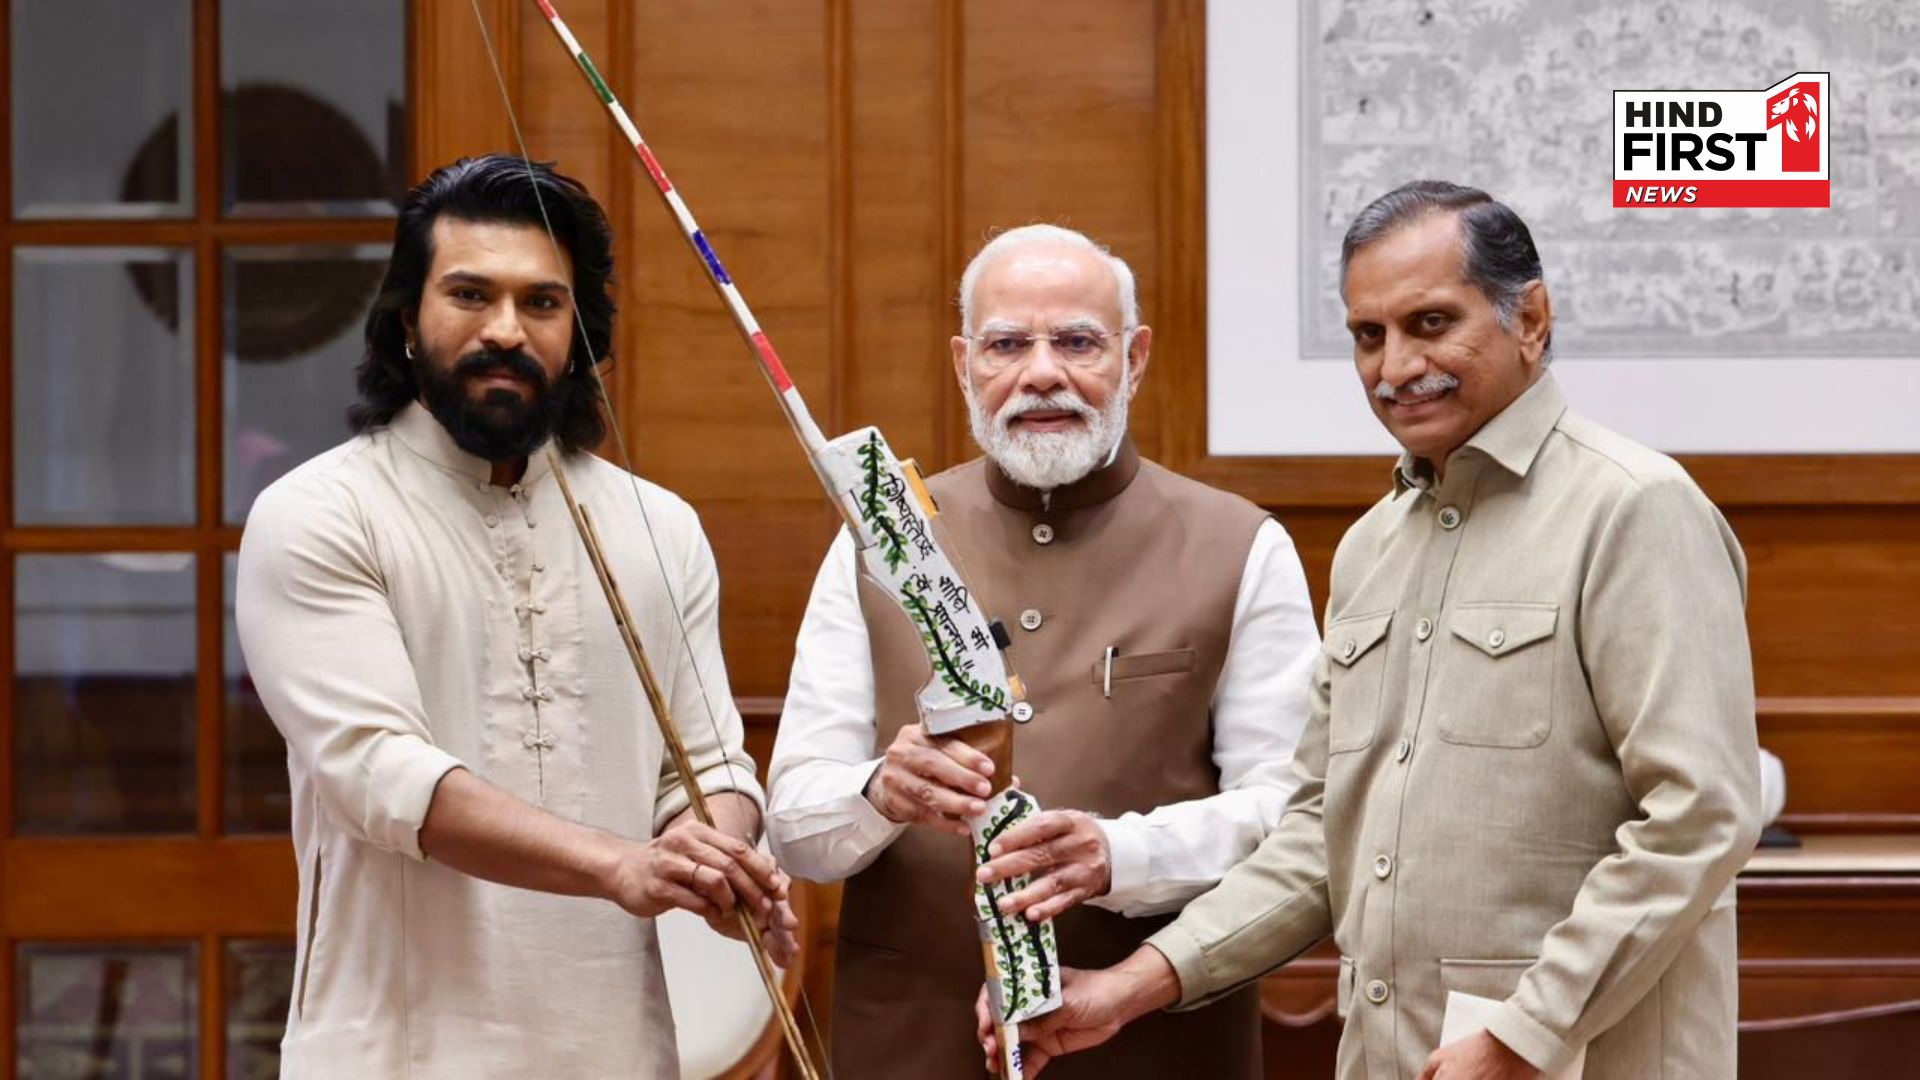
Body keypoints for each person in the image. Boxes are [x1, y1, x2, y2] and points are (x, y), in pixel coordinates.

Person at [996, 182, 1762, 1080]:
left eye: (1431, 324)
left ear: (1532, 319)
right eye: (1369, 336)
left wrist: (1530, 1032)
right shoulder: (1370, 550)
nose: (1396, 367)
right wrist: (1129, 986)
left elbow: (1699, 816)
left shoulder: (1634, 509)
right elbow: (1323, 835)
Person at [236, 155, 795, 1078]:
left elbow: (707, 765)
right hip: (395, 1054)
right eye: (469, 294)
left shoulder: (659, 525)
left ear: (578, 333)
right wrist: (622, 866)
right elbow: (384, 776)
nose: (506, 329)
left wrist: (715, 850)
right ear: (407, 323)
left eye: (541, 303)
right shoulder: (319, 514)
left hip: (624, 1052)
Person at [765, 224, 1321, 1078]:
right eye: (1007, 345)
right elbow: (796, 820)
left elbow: (1289, 819)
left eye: (1076, 342)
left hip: (1159, 1048)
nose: (1041, 373)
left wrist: (1119, 856)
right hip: (911, 1045)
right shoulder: (876, 547)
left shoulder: (1242, 546)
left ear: (1133, 359)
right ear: (964, 365)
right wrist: (880, 791)